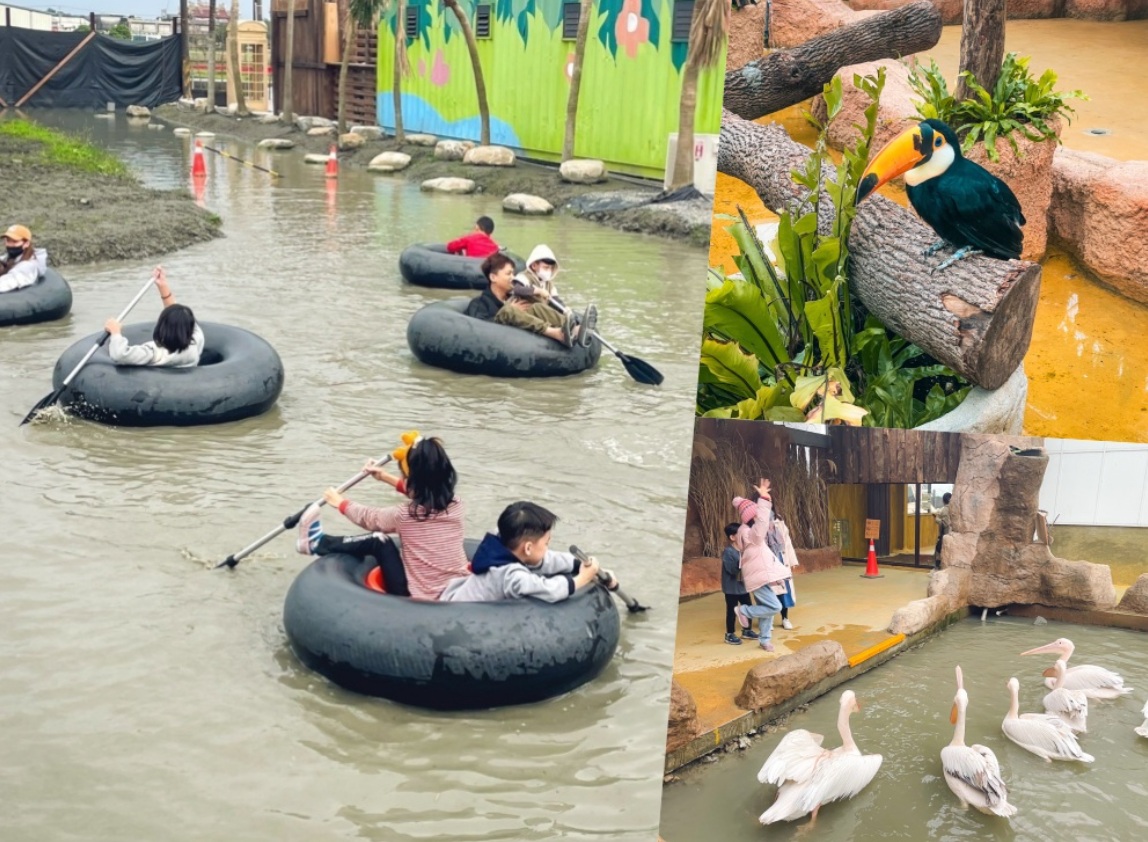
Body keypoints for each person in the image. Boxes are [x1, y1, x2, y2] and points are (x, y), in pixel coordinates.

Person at [296, 435, 469, 600]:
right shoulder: (457, 505)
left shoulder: (404, 516)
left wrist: (339, 502)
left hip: (419, 597)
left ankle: (317, 543)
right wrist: (384, 477)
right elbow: (428, 489)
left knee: (378, 540)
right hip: (458, 589)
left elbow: (370, 518)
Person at [439, 501, 616, 602]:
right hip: (454, 613)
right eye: (547, 543)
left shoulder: (500, 540)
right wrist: (583, 578)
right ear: (528, 548)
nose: (548, 547)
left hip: (453, 594)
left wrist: (579, 564)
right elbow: (549, 590)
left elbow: (544, 560)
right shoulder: (511, 576)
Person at [464, 252, 595, 348]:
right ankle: (555, 333)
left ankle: (574, 328)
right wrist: (509, 312)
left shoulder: (514, 298)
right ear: (493, 277)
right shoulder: (479, 303)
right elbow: (479, 330)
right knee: (510, 310)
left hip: (523, 330)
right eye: (508, 273)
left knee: (535, 306)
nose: (513, 277)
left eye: (513, 273)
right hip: (500, 338)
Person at [105, 266, 203, 368]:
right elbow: (187, 324)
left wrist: (115, 332)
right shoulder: (194, 346)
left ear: (162, 329)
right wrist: (163, 286)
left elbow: (120, 355)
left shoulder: (153, 354)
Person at [730, 479, 787, 652]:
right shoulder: (751, 535)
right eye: (757, 515)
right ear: (752, 517)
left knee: (767, 609)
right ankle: (744, 611)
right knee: (775, 607)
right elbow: (762, 524)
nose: (762, 518)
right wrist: (764, 499)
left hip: (761, 575)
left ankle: (764, 640)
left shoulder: (748, 534)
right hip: (759, 577)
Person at [721, 522, 758, 645]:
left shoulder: (745, 550)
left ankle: (747, 630)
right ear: (732, 537)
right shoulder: (729, 552)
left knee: (748, 608)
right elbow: (732, 570)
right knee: (732, 611)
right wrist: (744, 562)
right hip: (732, 588)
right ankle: (729, 634)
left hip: (743, 587)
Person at [1, 224, 48, 293]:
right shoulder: (8, 258)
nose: (10, 245)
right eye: (8, 241)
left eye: (15, 241)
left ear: (26, 243)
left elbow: (7, 282)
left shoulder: (28, 266)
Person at [933, 492, 952, 569]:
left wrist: (936, 518)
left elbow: (941, 522)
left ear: (944, 500)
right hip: (951, 534)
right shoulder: (954, 509)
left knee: (938, 549)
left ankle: (938, 565)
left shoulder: (944, 510)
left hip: (945, 533)